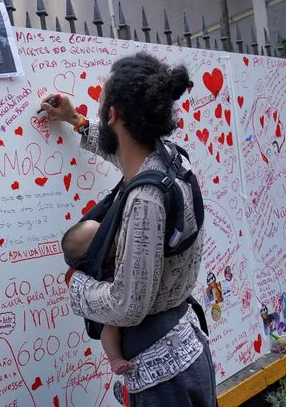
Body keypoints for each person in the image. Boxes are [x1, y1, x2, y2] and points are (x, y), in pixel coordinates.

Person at [41, 52, 216, 406]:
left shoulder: (146, 199)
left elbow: (126, 307)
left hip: (163, 377)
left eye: (102, 104)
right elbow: (128, 157)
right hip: (185, 351)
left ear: (114, 116)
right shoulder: (170, 158)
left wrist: (78, 285)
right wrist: (76, 120)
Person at [62, 219, 135, 375]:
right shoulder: (97, 273)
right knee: (110, 327)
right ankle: (115, 359)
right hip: (109, 308)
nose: (109, 234)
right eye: (102, 236)